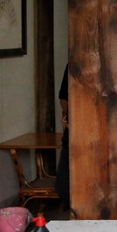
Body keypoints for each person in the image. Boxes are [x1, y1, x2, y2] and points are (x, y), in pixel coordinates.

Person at [55, 66, 70, 209]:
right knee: (64, 186)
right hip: (72, 132)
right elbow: (63, 97)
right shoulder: (72, 64)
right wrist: (67, 114)